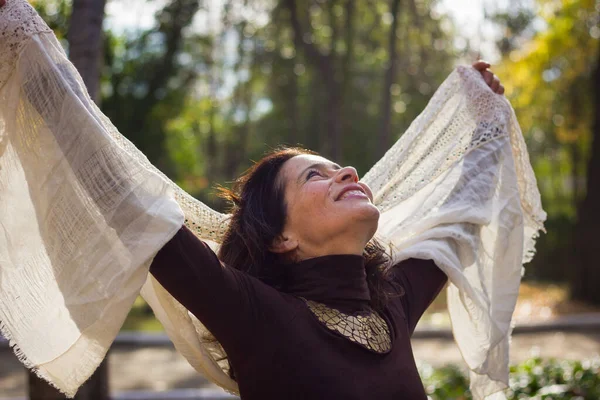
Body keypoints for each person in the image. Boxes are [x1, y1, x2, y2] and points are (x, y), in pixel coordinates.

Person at [1, 1, 539, 399]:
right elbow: (120, 193)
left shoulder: (393, 302)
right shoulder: (256, 318)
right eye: (315, 177)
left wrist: (484, 121)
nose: (347, 171)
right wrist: (26, 48)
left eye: (340, 168)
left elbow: (460, 214)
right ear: (281, 236)